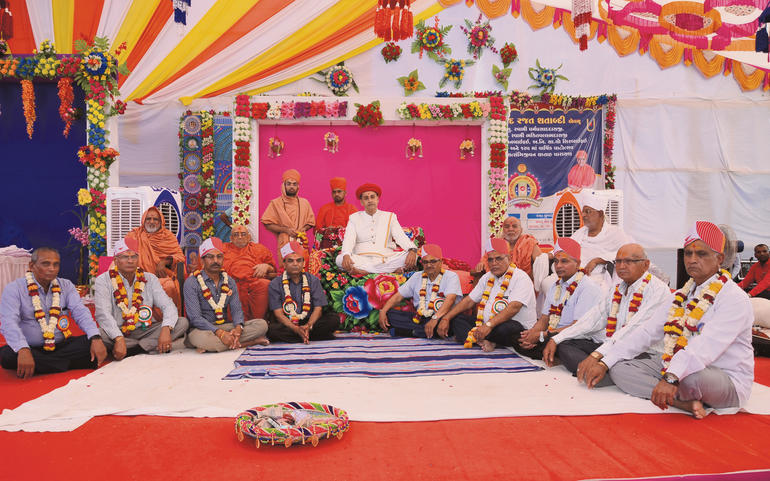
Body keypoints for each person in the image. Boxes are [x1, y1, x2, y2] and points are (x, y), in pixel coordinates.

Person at [608, 221, 754, 419]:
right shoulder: (681, 295)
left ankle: (672, 389)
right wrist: (605, 361)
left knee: (690, 378)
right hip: (681, 365)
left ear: (719, 258)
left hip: (725, 378)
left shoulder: (734, 298)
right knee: (620, 368)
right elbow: (647, 332)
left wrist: (671, 377)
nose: (692, 260)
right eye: (688, 253)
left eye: (701, 254)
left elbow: (706, 346)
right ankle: (682, 403)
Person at [540, 243, 671, 386]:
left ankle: (605, 371)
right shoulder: (617, 289)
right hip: (612, 345)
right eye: (618, 261)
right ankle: (599, 371)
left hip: (644, 353)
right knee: (565, 344)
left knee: (618, 367)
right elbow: (593, 318)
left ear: (645, 265)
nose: (621, 266)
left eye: (628, 261)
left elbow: (633, 331)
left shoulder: (658, 290)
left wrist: (597, 356)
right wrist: (556, 339)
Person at [0, 247, 107, 378]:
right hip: (30, 347)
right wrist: (23, 349)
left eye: (56, 264)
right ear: (32, 266)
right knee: (7, 355)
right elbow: (8, 322)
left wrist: (95, 338)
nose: (52, 268)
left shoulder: (66, 285)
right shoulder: (14, 289)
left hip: (61, 345)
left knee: (95, 341)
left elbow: (80, 312)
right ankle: (67, 364)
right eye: (46, 264)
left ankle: (45, 365)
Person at [93, 237, 188, 359]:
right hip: (117, 330)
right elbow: (103, 313)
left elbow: (168, 305)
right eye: (125, 257)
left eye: (134, 257)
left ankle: (135, 348)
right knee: (98, 334)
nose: (130, 261)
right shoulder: (103, 280)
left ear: (138, 259)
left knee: (182, 323)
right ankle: (143, 346)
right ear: (116, 260)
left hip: (145, 330)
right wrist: (118, 337)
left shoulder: (149, 278)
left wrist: (166, 328)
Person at [444, 238, 537, 352]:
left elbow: (514, 308)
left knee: (509, 327)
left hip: (512, 327)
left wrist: (488, 325)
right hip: (486, 324)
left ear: (509, 259)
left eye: (499, 258)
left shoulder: (521, 277)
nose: (494, 263)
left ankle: (477, 338)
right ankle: (485, 340)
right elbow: (469, 301)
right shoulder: (487, 277)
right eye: (490, 260)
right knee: (457, 319)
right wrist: (446, 318)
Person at [518, 237, 603, 359]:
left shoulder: (587, 287)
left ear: (578, 264)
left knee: (563, 347)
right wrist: (532, 334)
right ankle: (552, 355)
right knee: (519, 340)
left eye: (564, 261)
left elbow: (578, 328)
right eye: (556, 261)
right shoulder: (555, 286)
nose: (558, 266)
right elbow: (544, 319)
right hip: (556, 335)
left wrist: (541, 336)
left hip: (583, 338)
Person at [184, 237, 269, 352]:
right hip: (201, 329)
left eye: (219, 256)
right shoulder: (192, 282)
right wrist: (220, 333)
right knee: (207, 340)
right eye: (210, 257)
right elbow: (195, 318)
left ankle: (225, 343)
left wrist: (238, 328)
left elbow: (236, 309)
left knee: (262, 325)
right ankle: (250, 342)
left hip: (225, 326)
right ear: (202, 260)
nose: (215, 260)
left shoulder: (229, 281)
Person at [378, 244, 463, 338]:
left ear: (441, 262)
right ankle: (422, 332)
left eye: (433, 261)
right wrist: (383, 311)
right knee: (390, 314)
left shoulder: (451, 276)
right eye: (425, 262)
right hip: (419, 318)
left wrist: (435, 318)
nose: (429, 265)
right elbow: (398, 296)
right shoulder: (417, 276)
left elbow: (450, 300)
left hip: (441, 317)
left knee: (454, 322)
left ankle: (411, 332)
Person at [336, 183, 418, 275]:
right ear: (361, 202)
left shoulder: (390, 216)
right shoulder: (354, 218)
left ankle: (365, 271)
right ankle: (389, 270)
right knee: (339, 259)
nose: (370, 200)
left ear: (377, 199)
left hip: (386, 258)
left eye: (372, 197)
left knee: (413, 257)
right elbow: (349, 239)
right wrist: (346, 254)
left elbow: (400, 236)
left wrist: (412, 250)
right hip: (362, 258)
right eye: (366, 198)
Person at [267, 241, 339, 343]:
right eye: (290, 261)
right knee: (271, 330)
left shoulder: (313, 280)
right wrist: (295, 329)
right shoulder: (275, 283)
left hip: (310, 321)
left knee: (333, 320)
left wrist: (308, 325)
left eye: (298, 260)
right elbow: (278, 314)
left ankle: (303, 334)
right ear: (284, 264)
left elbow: (318, 309)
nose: (295, 264)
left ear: (303, 263)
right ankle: (311, 336)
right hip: (289, 323)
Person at [570, 191, 633, 292]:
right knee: (549, 282)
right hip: (574, 274)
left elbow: (627, 253)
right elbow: (566, 249)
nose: (583, 215)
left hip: (600, 276)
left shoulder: (615, 232)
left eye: (587, 211)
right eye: (583, 212)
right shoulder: (580, 232)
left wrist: (598, 260)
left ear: (600, 214)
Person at [126, 206, 186, 310]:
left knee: (170, 287)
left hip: (160, 278)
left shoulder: (168, 236)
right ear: (143, 220)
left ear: (161, 221)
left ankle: (166, 317)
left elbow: (180, 257)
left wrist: (165, 261)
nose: (152, 222)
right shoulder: (134, 236)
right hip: (137, 277)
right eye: (148, 219)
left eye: (155, 219)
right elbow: (123, 256)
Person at [223, 224, 276, 320]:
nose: (240, 237)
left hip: (254, 284)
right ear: (231, 238)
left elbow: (274, 271)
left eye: (243, 234)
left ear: (249, 237)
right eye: (236, 234)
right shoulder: (223, 249)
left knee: (265, 284)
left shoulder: (260, 249)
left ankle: (258, 322)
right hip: (231, 284)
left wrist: (266, 266)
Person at [260, 168, 315, 259]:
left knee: (303, 265)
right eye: (288, 184)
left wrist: (303, 228)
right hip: (284, 242)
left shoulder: (304, 203)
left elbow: (311, 222)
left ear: (298, 186)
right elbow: (267, 223)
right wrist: (285, 230)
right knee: (285, 266)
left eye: (294, 184)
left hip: (301, 241)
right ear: (284, 185)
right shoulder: (275, 203)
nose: (291, 187)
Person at [472, 216, 544, 280]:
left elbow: (541, 263)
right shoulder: (495, 244)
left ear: (521, 230)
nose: (510, 229)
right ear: (503, 230)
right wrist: (482, 264)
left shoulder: (529, 242)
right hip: (498, 281)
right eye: (507, 226)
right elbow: (485, 260)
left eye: (514, 226)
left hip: (523, 282)